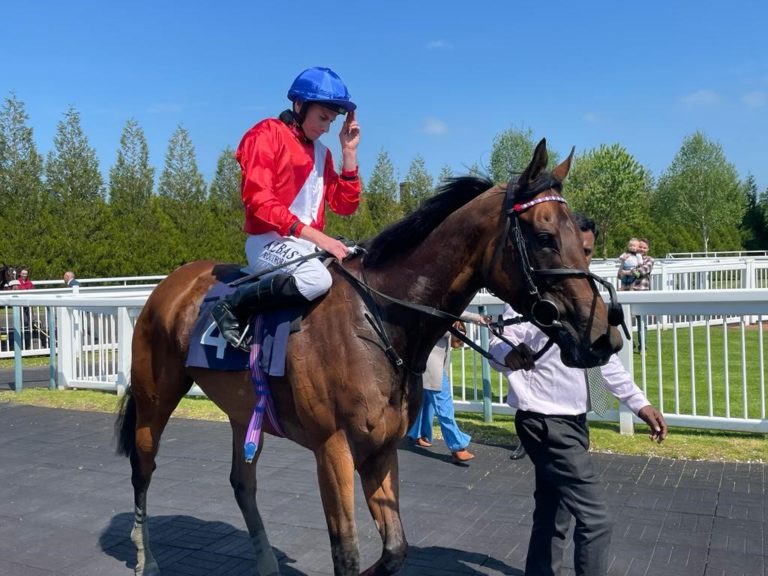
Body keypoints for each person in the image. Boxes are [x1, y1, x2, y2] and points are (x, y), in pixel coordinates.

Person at [488, 213, 668, 576]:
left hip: (572, 420)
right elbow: (498, 343)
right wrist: (509, 355)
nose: (580, 260)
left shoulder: (586, 296)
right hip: (544, 421)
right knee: (597, 519)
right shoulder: (535, 294)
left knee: (554, 513)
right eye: (576, 251)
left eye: (586, 252)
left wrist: (640, 403)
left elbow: (604, 358)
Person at [211, 66, 361, 350]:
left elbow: (344, 205)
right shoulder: (265, 134)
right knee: (316, 279)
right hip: (268, 241)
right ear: (300, 105)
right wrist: (318, 237)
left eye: (331, 121)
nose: (326, 128)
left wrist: (349, 152)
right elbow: (258, 200)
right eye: (322, 118)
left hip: (305, 246)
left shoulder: (323, 153)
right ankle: (233, 305)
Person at [408, 314, 487, 463]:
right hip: (429, 362)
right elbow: (436, 328)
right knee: (444, 406)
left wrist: (478, 318)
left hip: (435, 360)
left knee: (427, 401)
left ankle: (417, 433)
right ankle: (457, 446)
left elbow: (457, 311)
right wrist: (455, 329)